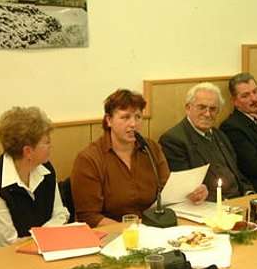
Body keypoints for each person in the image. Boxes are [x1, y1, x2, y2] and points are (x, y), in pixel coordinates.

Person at [71, 89, 208, 227]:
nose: (133, 124)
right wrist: (130, 231)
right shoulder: (89, 158)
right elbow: (89, 216)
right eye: (125, 117)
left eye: (138, 117)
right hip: (114, 234)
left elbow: (167, 192)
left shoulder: (150, 148)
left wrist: (192, 193)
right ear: (109, 120)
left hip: (153, 227)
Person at [0, 107, 70, 253]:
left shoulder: (45, 169)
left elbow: (60, 214)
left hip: (42, 253)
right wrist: (48, 235)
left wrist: (40, 237)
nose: (51, 146)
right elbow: (8, 245)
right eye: (47, 142)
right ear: (28, 151)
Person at [158, 82, 254, 201]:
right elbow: (188, 190)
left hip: (238, 201)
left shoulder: (220, 135)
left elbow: (236, 172)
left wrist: (249, 193)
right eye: (202, 107)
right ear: (188, 108)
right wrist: (224, 202)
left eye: (213, 109)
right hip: (210, 206)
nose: (207, 114)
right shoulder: (173, 140)